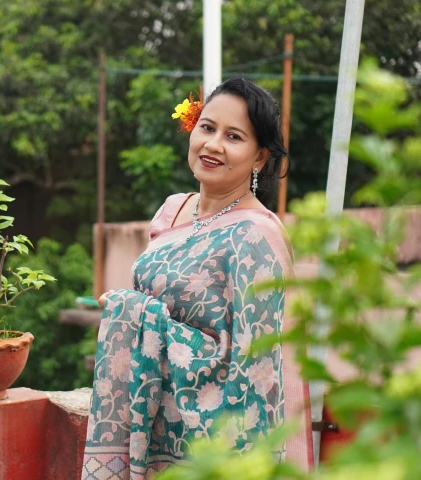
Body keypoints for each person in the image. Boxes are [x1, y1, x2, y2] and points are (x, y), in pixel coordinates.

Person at [82, 78, 302, 479]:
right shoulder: (172, 210)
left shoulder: (257, 236)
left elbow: (253, 368)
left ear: (259, 158)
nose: (213, 144)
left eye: (234, 136)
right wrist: (134, 311)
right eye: (207, 127)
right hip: (144, 423)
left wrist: (134, 311)